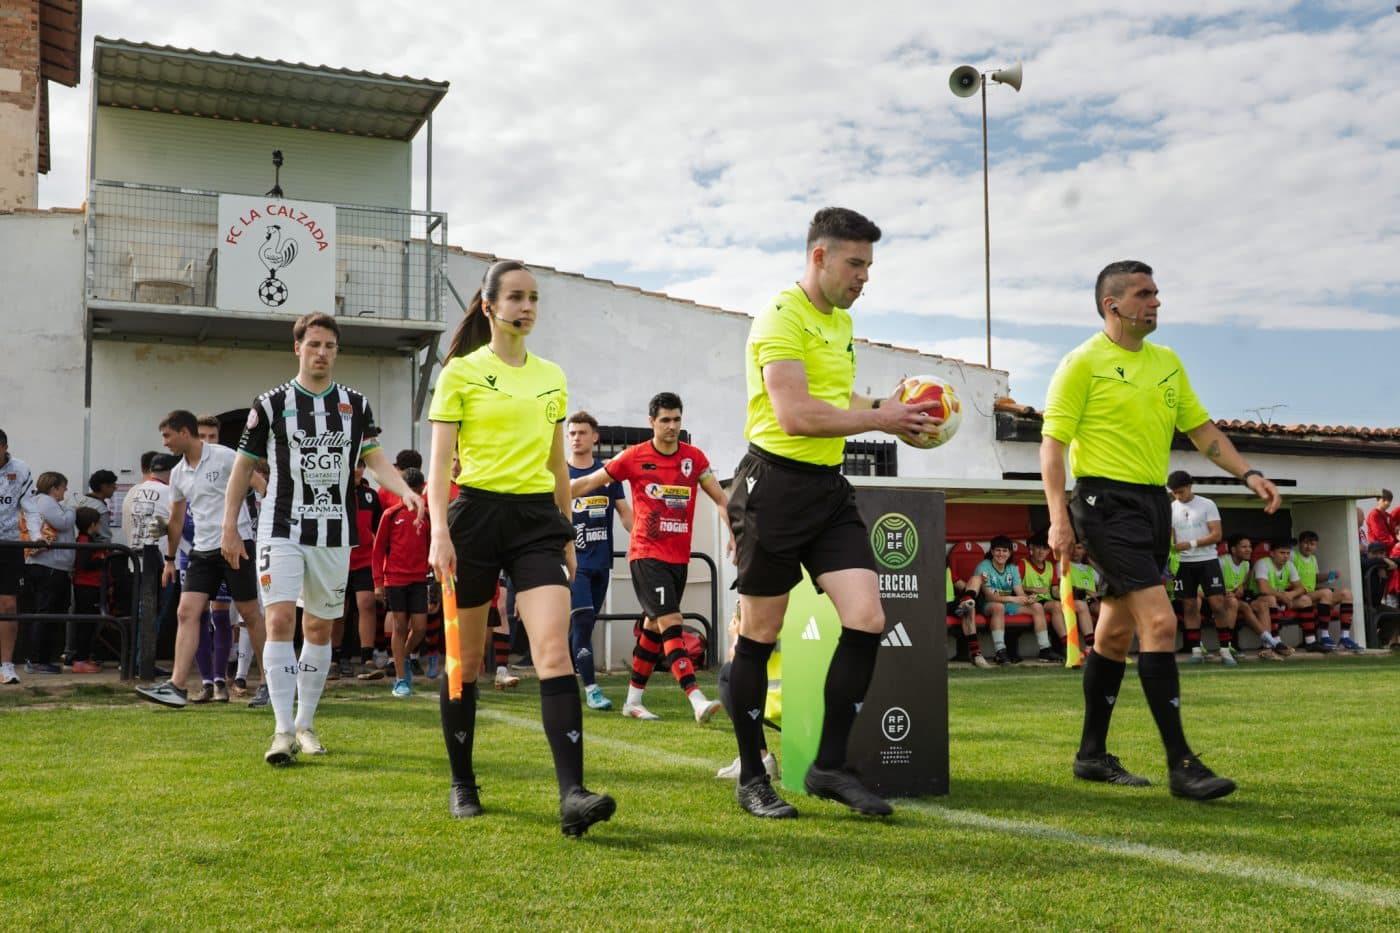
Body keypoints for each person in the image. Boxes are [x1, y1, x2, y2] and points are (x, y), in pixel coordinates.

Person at [1041, 259, 1281, 801]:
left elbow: (1201, 430)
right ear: (1113, 305)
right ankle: (1183, 764)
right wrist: (1058, 518)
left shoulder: (1167, 362)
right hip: (1103, 503)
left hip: (1152, 505)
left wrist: (1249, 473)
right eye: (1144, 294)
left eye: (1156, 293)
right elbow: (1052, 446)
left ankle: (1091, 755)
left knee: (1114, 634)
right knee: (1159, 620)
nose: (1156, 302)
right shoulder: (1081, 363)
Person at [725, 207, 937, 819]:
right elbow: (795, 414)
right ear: (819, 257)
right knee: (759, 634)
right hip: (772, 487)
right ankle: (752, 777)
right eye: (855, 263)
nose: (864, 276)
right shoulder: (780, 316)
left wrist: (886, 405)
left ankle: (829, 766)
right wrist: (880, 420)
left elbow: (835, 395)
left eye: (869, 265)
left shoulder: (841, 322)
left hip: (827, 488)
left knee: (867, 618)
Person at [426, 259, 614, 835]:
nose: (526, 307)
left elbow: (558, 464)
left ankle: (573, 796)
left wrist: (567, 531)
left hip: (536, 522)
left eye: (533, 298)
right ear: (489, 306)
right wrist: (439, 532)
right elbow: (439, 466)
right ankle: (463, 782)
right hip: (475, 519)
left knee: (554, 652)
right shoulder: (460, 374)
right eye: (514, 297)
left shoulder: (552, 376)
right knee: (465, 662)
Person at [221, 312, 423, 766]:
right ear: (298, 348)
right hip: (281, 527)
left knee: (318, 628)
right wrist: (229, 525)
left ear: (337, 351)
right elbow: (243, 465)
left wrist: (405, 491)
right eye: (313, 344)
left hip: (334, 530)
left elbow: (375, 459)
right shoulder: (271, 403)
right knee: (278, 621)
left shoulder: (356, 404)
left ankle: (305, 723)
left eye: (329, 346)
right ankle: (280, 731)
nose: (321, 353)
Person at [570, 392, 729, 723]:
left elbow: (721, 499)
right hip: (646, 554)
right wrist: (548, 494)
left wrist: (735, 535)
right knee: (671, 621)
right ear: (651, 422)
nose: (672, 426)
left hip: (678, 559)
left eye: (677, 419)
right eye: (665, 420)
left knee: (653, 627)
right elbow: (587, 482)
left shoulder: (694, 458)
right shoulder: (634, 456)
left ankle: (632, 701)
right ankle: (696, 698)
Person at [136, 411, 269, 709]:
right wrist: (170, 559)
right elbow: (176, 519)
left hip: (236, 545)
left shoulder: (224, 456)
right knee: (186, 613)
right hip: (202, 550)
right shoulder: (178, 473)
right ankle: (176, 686)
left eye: (168, 435)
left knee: (249, 613)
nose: (165, 442)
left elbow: (261, 485)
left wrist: (266, 530)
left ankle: (270, 684)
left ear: (184, 432)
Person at [565, 410, 633, 710]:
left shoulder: (608, 474)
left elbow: (625, 513)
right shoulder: (560, 474)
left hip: (602, 564)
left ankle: (564, 674)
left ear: (595, 437)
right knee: (582, 623)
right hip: (573, 564)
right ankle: (592, 688)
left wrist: (643, 540)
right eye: (572, 433)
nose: (576, 438)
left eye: (582, 433)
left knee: (583, 625)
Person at [1165, 471, 1236, 666]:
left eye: (1181, 491)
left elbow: (1216, 535)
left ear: (1190, 486)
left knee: (1217, 605)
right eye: (1174, 493)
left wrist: (1191, 543)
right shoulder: (1171, 508)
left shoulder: (1207, 504)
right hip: (1183, 564)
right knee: (1189, 606)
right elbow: (1171, 538)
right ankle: (1196, 650)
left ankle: (1225, 649)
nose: (1178, 496)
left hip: (1208, 561)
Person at [372, 467, 431, 697]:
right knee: (399, 626)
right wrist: (378, 582)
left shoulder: (427, 516)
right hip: (395, 578)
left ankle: (402, 657)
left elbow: (431, 546)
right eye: (410, 490)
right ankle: (400, 679)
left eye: (418, 490)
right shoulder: (391, 514)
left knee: (420, 628)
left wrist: (433, 578)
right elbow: (378, 551)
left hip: (419, 579)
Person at [19, 471, 75, 674]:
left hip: (46, 565)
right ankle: (37, 660)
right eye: (63, 488)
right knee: (46, 611)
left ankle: (40, 659)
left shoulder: (37, 501)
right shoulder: (45, 502)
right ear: (54, 488)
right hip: (50, 566)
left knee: (47, 611)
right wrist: (72, 510)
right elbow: (63, 523)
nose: (65, 492)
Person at [975, 536, 1053, 665]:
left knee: (1037, 607)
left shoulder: (1012, 568)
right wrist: (1013, 599)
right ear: (992, 551)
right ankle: (1000, 651)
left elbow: (1020, 593)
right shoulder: (984, 566)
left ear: (1010, 553)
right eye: (998, 550)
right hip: (987, 604)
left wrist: (1028, 599)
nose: (1001, 554)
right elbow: (989, 596)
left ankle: (1045, 650)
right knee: (998, 607)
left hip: (1008, 604)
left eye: (1005, 551)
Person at [1219, 533, 1292, 660]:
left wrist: (1241, 587)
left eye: (1250, 546)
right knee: (1237, 604)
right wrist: (1224, 591)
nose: (1249, 549)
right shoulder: (1221, 562)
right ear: (1233, 549)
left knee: (1262, 605)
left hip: (1236, 600)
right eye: (1244, 547)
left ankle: (1267, 648)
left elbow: (1243, 583)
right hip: (1217, 600)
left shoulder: (1246, 564)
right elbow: (1210, 583)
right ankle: (1228, 646)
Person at [0, 427, 34, 684]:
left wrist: (36, 535)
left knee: (9, 606)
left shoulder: (20, 469)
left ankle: (7, 665)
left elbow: (30, 507)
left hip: (9, 543)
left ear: (4, 447)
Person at [1251, 538, 1326, 652]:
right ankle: (1276, 641)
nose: (1285, 556)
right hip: (1257, 599)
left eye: (1287, 553)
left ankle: (1310, 641)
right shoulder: (1262, 563)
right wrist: (1282, 597)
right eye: (1282, 553)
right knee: (1270, 599)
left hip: (1281, 599)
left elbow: (1301, 588)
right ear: (1272, 553)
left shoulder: (1289, 565)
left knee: (1305, 600)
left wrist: (1290, 595)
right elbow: (1263, 589)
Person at [347, 458, 386, 679]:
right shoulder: (336, 491)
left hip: (364, 560)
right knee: (337, 610)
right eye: (353, 464)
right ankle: (336, 659)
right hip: (339, 559)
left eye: (360, 465)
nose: (357, 469)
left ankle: (367, 658)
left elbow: (379, 530)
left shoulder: (371, 495)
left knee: (366, 604)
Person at [1292, 531, 1361, 652]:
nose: (1308, 546)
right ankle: (1324, 636)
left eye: (1312, 544)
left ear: (1316, 546)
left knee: (1346, 593)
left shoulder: (1313, 559)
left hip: (1313, 597)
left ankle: (1345, 638)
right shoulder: (1293, 556)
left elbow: (1315, 578)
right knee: (1326, 592)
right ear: (1300, 544)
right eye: (1306, 543)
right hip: (1299, 597)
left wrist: (1329, 575)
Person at [1017, 532, 1069, 662]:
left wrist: (1065, 596)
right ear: (1031, 548)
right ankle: (1047, 650)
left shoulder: (1050, 566)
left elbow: (1054, 590)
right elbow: (1014, 586)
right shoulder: (1022, 564)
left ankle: (1067, 644)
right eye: (1038, 548)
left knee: (1057, 605)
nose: (1041, 552)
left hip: (1045, 601)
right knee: (1039, 606)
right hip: (1028, 601)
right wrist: (1033, 589)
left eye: (1045, 548)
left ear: (1048, 551)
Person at [70, 507, 108, 673]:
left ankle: (83, 657)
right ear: (92, 524)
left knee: (89, 624)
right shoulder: (85, 541)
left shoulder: (85, 540)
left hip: (90, 586)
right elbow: (84, 564)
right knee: (86, 624)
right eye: (98, 523)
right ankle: (80, 660)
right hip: (87, 586)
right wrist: (103, 560)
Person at [947, 565, 991, 668]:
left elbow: (964, 587)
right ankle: (976, 653)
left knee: (976, 579)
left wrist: (980, 584)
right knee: (969, 605)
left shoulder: (947, 570)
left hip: (953, 604)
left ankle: (976, 655)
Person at [1066, 541, 1101, 650]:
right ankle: (1090, 646)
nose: (1075, 551)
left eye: (1079, 548)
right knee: (1082, 605)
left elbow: (1104, 584)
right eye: (1072, 548)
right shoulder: (1063, 565)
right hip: (1073, 599)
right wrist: (1086, 591)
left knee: (1105, 609)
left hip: (1091, 602)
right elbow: (1061, 587)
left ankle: (1107, 644)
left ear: (1085, 551)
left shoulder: (1090, 569)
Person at [76, 469, 119, 545]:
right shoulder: (101, 509)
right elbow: (104, 538)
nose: (115, 488)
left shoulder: (83, 501)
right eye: (113, 485)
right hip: (96, 549)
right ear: (103, 487)